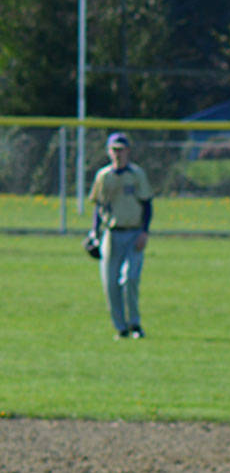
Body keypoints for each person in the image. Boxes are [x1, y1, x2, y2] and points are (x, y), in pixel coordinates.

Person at [89, 132, 153, 339]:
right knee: (110, 283)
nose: (118, 153)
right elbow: (99, 206)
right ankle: (121, 328)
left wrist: (145, 232)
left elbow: (147, 204)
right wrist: (94, 234)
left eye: (121, 149)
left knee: (130, 278)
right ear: (108, 151)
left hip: (133, 232)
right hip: (111, 234)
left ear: (128, 151)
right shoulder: (103, 176)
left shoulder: (136, 175)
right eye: (114, 149)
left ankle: (135, 324)